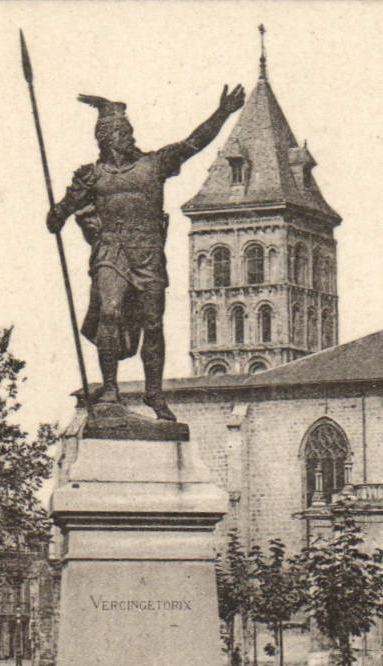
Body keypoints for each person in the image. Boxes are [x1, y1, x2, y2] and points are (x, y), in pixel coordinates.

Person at [46, 85, 245, 421]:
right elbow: (61, 212)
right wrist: (56, 216)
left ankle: (154, 394)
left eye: (129, 131)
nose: (129, 136)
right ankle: (110, 388)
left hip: (148, 253)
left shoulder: (154, 165)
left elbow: (192, 144)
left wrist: (223, 113)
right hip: (111, 252)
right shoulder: (92, 176)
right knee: (109, 313)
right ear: (106, 138)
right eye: (122, 132)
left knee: (152, 325)